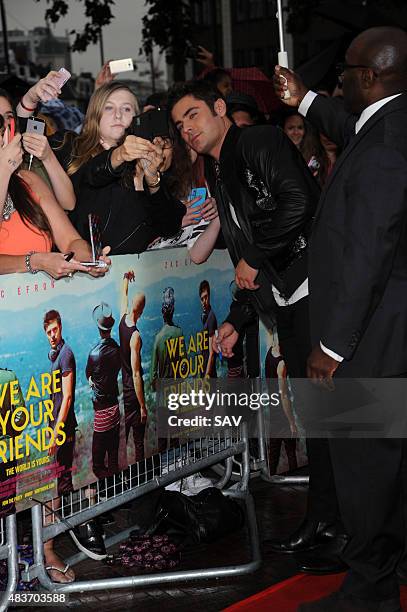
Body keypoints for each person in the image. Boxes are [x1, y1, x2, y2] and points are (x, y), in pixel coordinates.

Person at [168, 80, 345, 561]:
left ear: (220, 109)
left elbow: (298, 204)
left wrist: (256, 257)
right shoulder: (220, 169)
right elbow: (249, 255)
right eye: (179, 123)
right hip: (284, 297)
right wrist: (237, 318)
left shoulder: (259, 141)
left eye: (193, 115)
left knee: (339, 419)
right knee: (317, 421)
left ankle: (347, 530)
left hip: (318, 288)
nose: (186, 129)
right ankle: (324, 520)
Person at [275, 26, 407, 612]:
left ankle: (370, 595)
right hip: (391, 325)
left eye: (346, 74)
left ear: (370, 78)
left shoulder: (382, 147)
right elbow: (343, 123)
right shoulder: (389, 124)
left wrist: (330, 344)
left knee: (366, 466)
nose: (340, 82)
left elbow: (368, 252)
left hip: (371, 333)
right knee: (390, 460)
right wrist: (303, 99)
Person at [65, 82, 185, 255]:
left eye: (127, 109)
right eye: (108, 108)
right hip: (79, 271)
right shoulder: (71, 148)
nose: (118, 115)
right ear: (95, 114)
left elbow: (169, 227)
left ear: (136, 119)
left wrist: (152, 180)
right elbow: (85, 180)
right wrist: (118, 155)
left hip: (131, 274)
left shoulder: (147, 162)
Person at [0, 112, 110, 278]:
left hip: (37, 300)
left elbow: (70, 241)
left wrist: (89, 260)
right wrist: (35, 261)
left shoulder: (28, 180)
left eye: (2, 132)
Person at [86, 302, 121, 481]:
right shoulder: (117, 349)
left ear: (99, 329)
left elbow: (88, 375)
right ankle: (119, 492)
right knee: (113, 457)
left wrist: (93, 382)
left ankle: (109, 493)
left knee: (98, 465)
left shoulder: (93, 354)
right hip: (115, 408)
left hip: (101, 413)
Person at [119, 271, 147, 463]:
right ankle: (140, 476)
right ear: (142, 311)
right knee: (138, 441)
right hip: (133, 394)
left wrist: (126, 278)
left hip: (123, 391)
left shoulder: (122, 319)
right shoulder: (135, 336)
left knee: (122, 440)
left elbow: (124, 295)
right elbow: (136, 374)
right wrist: (143, 406)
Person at [150, 287, 183, 387]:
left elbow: (153, 376)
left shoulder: (158, 338)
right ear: (173, 311)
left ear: (162, 311)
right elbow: (184, 365)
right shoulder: (179, 333)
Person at [199, 280, 218, 378]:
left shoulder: (211, 317)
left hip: (209, 370)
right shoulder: (204, 315)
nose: (204, 302)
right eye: (202, 299)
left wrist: (207, 375)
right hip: (204, 365)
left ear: (209, 296)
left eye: (206, 297)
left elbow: (212, 353)